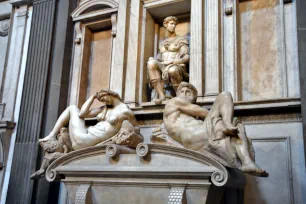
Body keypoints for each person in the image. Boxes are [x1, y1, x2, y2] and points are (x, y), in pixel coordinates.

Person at [163, 82, 268, 176]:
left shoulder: (186, 116)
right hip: (193, 134)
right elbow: (202, 112)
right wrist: (221, 117)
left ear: (194, 98)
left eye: (188, 92)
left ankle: (247, 163)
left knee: (235, 130)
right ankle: (227, 124)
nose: (185, 95)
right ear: (177, 95)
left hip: (196, 137)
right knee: (224, 96)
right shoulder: (174, 102)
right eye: (182, 92)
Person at [39, 89, 137, 150]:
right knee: (72, 108)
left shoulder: (125, 111)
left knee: (72, 108)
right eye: (101, 101)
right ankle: (52, 135)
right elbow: (82, 114)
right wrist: (92, 97)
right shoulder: (104, 109)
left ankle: (52, 135)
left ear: (110, 94)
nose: (104, 101)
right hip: (83, 136)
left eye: (103, 99)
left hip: (85, 141)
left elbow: (136, 130)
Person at [147, 16, 189, 102]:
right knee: (151, 63)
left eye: (174, 24)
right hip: (163, 66)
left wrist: (174, 61)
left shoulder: (181, 39)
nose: (173, 26)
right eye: (171, 24)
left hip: (176, 65)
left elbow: (186, 57)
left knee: (172, 70)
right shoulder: (162, 43)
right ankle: (162, 95)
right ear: (166, 25)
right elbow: (159, 59)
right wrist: (152, 60)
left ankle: (179, 97)